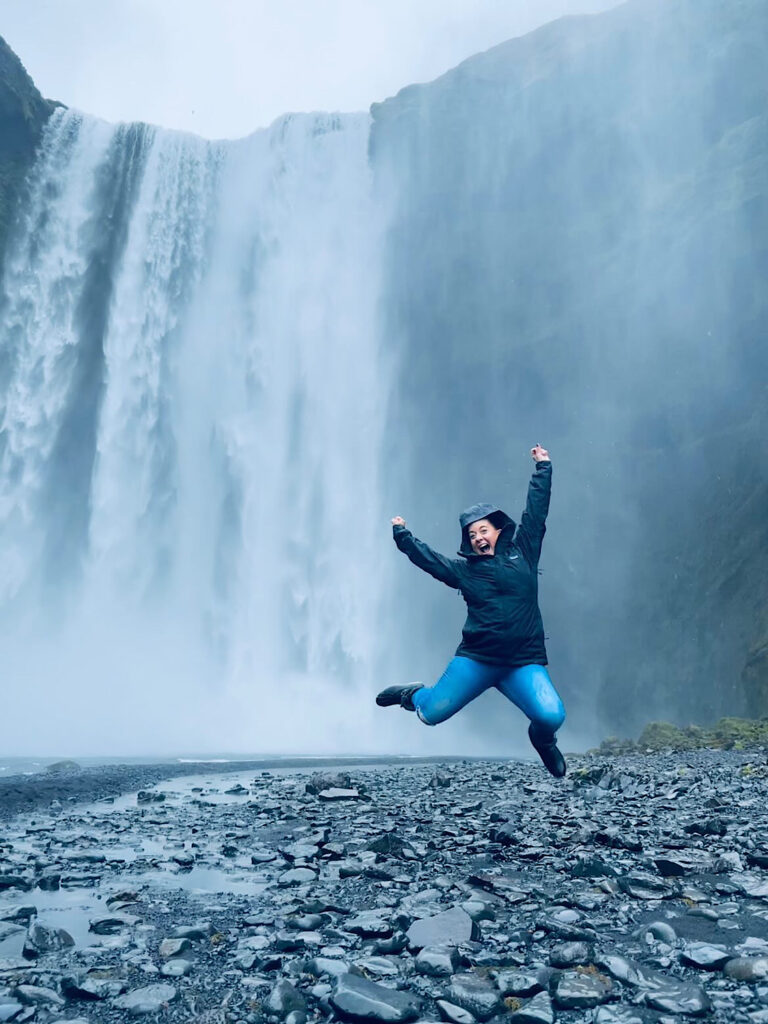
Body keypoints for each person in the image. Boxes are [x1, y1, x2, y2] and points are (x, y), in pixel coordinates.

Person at [376, 444, 567, 777]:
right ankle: (412, 694)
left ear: (497, 531)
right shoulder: (464, 571)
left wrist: (543, 468)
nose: (478, 537)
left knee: (551, 716)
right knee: (431, 715)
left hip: (523, 662)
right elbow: (430, 561)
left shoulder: (524, 552)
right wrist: (403, 536)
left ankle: (543, 741)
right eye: (472, 533)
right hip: (477, 661)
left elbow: (536, 513)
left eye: (483, 530)